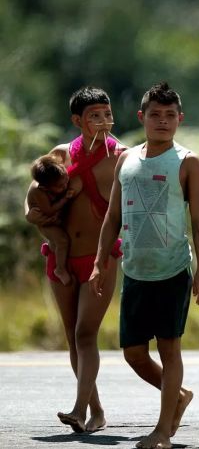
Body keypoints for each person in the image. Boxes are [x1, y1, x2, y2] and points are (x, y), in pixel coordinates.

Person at [89, 82, 199, 449]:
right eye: (155, 115)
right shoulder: (126, 159)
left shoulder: (188, 161)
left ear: (180, 119)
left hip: (173, 269)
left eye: (170, 115)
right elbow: (112, 216)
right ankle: (178, 396)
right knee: (134, 353)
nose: (163, 121)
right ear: (142, 117)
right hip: (135, 269)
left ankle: (162, 432)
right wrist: (99, 262)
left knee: (169, 347)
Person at [24, 86, 126, 433]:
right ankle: (94, 412)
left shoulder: (123, 157)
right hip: (61, 256)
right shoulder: (61, 154)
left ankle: (78, 409)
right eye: (93, 115)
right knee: (73, 337)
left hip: (102, 257)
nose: (101, 120)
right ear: (77, 120)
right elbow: (33, 195)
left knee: (86, 334)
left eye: (106, 113)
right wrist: (35, 216)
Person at [26, 154, 80, 285]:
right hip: (45, 221)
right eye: (60, 186)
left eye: (66, 179)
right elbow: (49, 210)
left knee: (58, 243)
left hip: (54, 217)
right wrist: (65, 198)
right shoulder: (37, 191)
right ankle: (60, 269)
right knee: (62, 240)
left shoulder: (57, 173)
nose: (65, 185)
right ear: (45, 188)